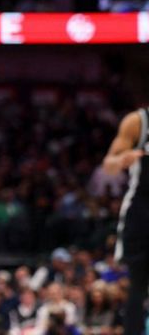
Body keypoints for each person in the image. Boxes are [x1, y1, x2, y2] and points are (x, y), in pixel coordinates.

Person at [102, 104, 149, 335]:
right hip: (142, 212)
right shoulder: (138, 122)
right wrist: (123, 160)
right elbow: (108, 164)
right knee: (137, 285)